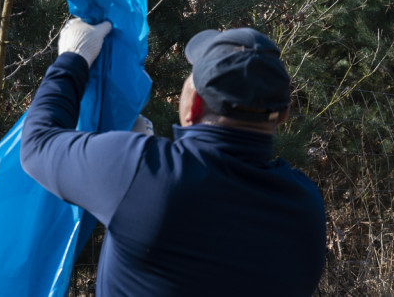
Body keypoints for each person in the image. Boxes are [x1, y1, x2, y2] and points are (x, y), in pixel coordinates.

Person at [20, 20, 327, 296]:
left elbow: (36, 145)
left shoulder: (141, 172)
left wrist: (72, 58)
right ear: (283, 116)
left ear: (194, 106)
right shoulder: (305, 206)